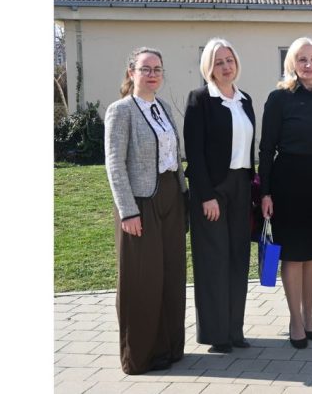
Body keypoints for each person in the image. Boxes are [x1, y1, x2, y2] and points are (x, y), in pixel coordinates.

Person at [104, 47, 188, 374]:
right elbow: (114, 164)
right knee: (142, 278)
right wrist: (127, 211)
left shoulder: (163, 107)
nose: (152, 74)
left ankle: (169, 348)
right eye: (145, 68)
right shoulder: (120, 110)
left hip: (171, 196)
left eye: (157, 69)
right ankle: (140, 355)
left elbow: (174, 155)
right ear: (131, 73)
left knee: (170, 274)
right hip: (140, 201)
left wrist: (183, 195)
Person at [258, 37, 312, 349]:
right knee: (293, 255)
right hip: (287, 184)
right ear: (292, 64)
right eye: (302, 59)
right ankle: (295, 319)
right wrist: (265, 192)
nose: (308, 65)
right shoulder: (278, 99)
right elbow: (266, 148)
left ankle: (309, 315)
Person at [183, 38, 256, 354]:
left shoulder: (244, 99)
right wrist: (205, 195)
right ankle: (217, 334)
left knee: (238, 257)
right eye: (218, 62)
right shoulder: (200, 99)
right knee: (213, 260)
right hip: (212, 189)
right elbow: (194, 152)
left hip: (241, 186)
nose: (226, 67)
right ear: (209, 68)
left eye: (229, 60)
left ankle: (235, 329)